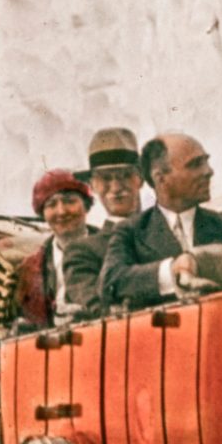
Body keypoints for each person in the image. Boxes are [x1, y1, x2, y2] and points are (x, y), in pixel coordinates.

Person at [100, 132, 222, 308]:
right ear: (161, 178)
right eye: (195, 164)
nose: (208, 171)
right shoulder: (130, 231)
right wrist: (171, 271)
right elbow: (110, 283)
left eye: (206, 162)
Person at [65, 126, 143, 314]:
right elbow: (98, 307)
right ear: (92, 185)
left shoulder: (169, 229)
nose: (116, 187)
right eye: (105, 179)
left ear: (140, 179)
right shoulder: (82, 252)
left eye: (125, 175)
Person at [17, 168, 96, 328]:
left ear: (86, 206)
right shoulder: (30, 268)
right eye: (51, 204)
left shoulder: (113, 247)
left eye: (70, 201)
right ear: (43, 214)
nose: (61, 211)